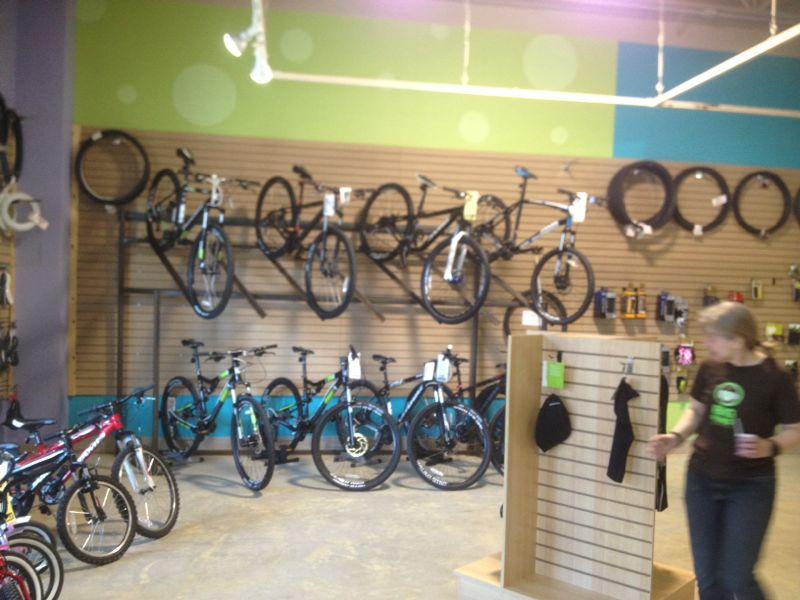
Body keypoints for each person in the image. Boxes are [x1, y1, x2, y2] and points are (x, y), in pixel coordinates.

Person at [648, 301, 800, 600]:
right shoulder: (710, 368)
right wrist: (676, 437)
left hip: (750, 486)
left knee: (738, 577)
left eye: (713, 337)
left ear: (738, 340)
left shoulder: (775, 377)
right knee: (708, 578)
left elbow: (795, 429)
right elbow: (696, 411)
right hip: (701, 480)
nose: (706, 343)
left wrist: (769, 446)